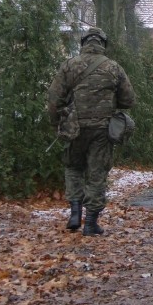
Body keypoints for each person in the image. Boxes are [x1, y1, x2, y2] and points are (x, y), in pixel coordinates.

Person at [47, 27, 136, 236]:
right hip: (102, 130)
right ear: (103, 44)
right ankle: (91, 223)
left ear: (83, 43)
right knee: (97, 175)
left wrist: (56, 125)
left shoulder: (69, 66)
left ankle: (75, 213)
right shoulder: (113, 67)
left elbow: (53, 99)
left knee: (73, 168)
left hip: (74, 127)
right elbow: (129, 100)